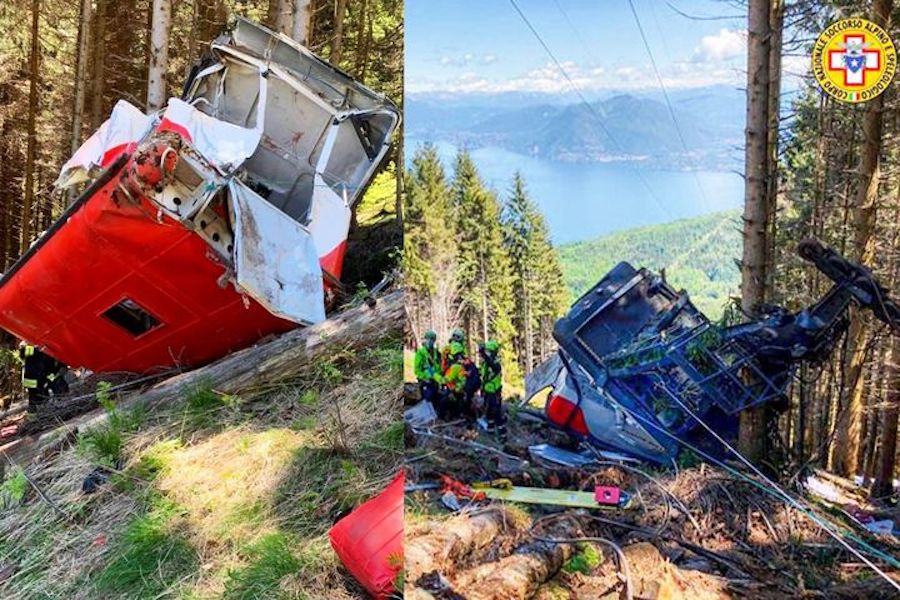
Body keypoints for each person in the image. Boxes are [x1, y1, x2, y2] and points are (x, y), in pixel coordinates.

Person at [19, 342, 68, 409]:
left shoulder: (49, 348)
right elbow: (23, 354)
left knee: (59, 385)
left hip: (46, 375)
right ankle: (36, 415)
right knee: (36, 399)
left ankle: (62, 405)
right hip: (33, 379)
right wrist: (35, 347)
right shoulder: (30, 348)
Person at [479, 340, 506, 440]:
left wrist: (483, 354)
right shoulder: (485, 364)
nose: (487, 353)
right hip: (487, 392)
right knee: (489, 413)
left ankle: (503, 436)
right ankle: (490, 432)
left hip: (495, 393)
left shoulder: (496, 364)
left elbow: (493, 367)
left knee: (497, 413)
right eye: (487, 351)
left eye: (489, 351)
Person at [438, 341, 468, 420]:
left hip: (455, 392)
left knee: (442, 401)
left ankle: (444, 417)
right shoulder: (459, 364)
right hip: (457, 391)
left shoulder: (455, 367)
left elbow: (445, 380)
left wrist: (434, 375)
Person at [413, 330, 442, 405]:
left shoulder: (437, 353)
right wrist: (425, 377)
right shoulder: (420, 353)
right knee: (428, 399)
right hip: (426, 382)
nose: (430, 341)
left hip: (436, 381)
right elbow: (417, 370)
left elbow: (439, 366)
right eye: (428, 339)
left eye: (432, 339)